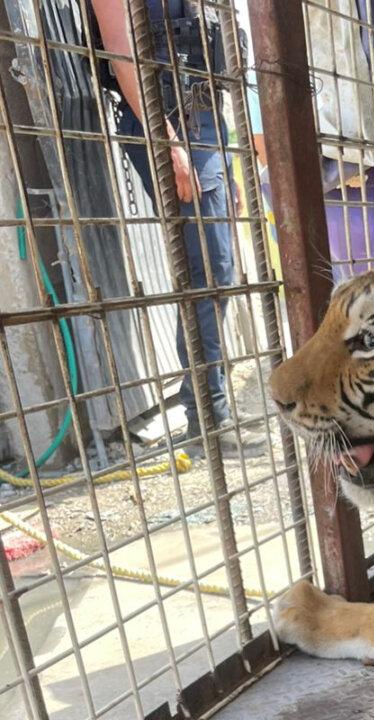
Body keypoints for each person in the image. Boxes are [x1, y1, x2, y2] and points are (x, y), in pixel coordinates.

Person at [90, 0, 265, 458]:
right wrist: (165, 140)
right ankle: (209, 417)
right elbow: (120, 49)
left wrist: (225, 159)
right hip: (169, 120)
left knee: (217, 269)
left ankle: (210, 409)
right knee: (207, 271)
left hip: (205, 119)